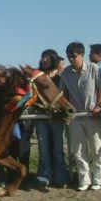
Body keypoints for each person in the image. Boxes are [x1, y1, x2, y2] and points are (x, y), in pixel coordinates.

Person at [59, 42, 101, 191]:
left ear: (82, 55)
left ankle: (99, 179)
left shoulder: (94, 68)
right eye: (69, 56)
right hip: (76, 117)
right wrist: (68, 108)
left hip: (93, 115)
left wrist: (99, 106)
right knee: (78, 150)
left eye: (74, 56)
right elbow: (64, 93)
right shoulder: (65, 73)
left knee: (96, 148)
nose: (71, 59)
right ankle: (84, 180)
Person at [35, 49, 70, 188]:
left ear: (54, 59)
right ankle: (44, 178)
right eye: (43, 57)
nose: (44, 60)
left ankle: (61, 178)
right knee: (43, 150)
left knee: (58, 149)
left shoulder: (61, 77)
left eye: (47, 57)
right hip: (40, 116)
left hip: (57, 118)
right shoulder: (37, 77)